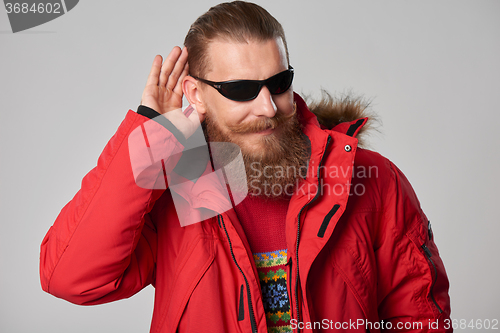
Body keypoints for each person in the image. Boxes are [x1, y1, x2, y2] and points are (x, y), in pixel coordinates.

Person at [39, 1, 452, 332]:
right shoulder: (177, 186)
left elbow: (419, 317)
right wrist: (149, 137)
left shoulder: (372, 180)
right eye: (241, 90)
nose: (268, 107)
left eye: (279, 83)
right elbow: (73, 277)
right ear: (194, 95)